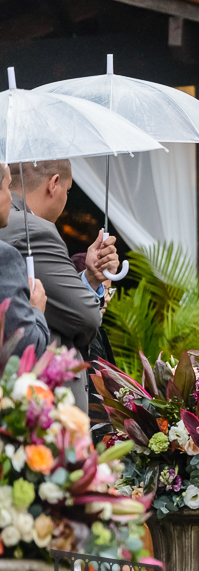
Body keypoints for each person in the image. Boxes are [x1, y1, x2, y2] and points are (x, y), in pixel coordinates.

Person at [0, 160, 117, 407]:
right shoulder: (33, 230)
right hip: (39, 403)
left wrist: (91, 277)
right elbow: (85, 316)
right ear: (54, 184)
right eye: (68, 188)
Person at [0, 163, 49, 356]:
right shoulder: (5, 258)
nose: (11, 197)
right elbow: (25, 346)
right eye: (7, 187)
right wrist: (36, 309)